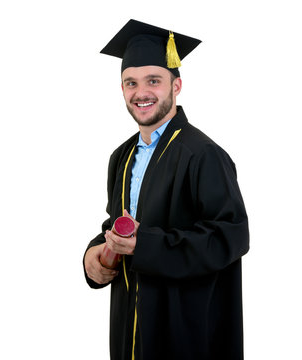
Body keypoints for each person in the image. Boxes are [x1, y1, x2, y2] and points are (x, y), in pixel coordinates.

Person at [83, 19, 249, 360]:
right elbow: (118, 225)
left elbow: (230, 237)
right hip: (130, 325)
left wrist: (145, 244)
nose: (141, 92)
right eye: (131, 82)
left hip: (184, 329)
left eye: (153, 81)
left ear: (177, 86)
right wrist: (95, 253)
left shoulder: (203, 154)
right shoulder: (122, 157)